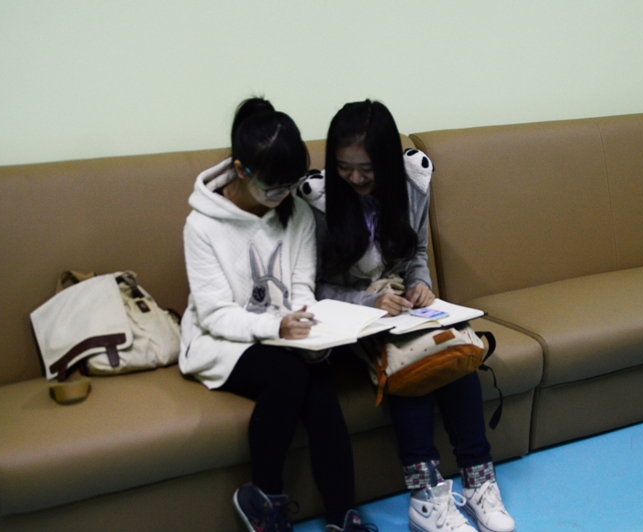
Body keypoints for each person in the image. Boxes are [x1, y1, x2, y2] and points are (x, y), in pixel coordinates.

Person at [305, 100, 516, 532]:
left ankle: (479, 481)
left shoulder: (412, 185)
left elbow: (416, 252)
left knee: (454, 354)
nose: (355, 179)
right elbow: (313, 287)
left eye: (367, 169)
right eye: (345, 168)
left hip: (403, 309)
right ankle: (426, 498)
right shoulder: (320, 203)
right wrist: (369, 302)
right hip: (351, 319)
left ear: (386, 161)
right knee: (413, 365)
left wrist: (421, 284)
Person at [179, 97, 377, 532]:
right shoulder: (202, 225)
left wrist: (307, 326)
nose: (282, 197)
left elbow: (302, 288)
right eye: (273, 188)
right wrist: (276, 326)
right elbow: (215, 315)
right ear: (241, 169)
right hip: (222, 341)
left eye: (290, 186)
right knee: (289, 376)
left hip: (284, 333)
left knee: (319, 382)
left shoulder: (296, 212)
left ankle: (343, 517)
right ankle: (264, 501)